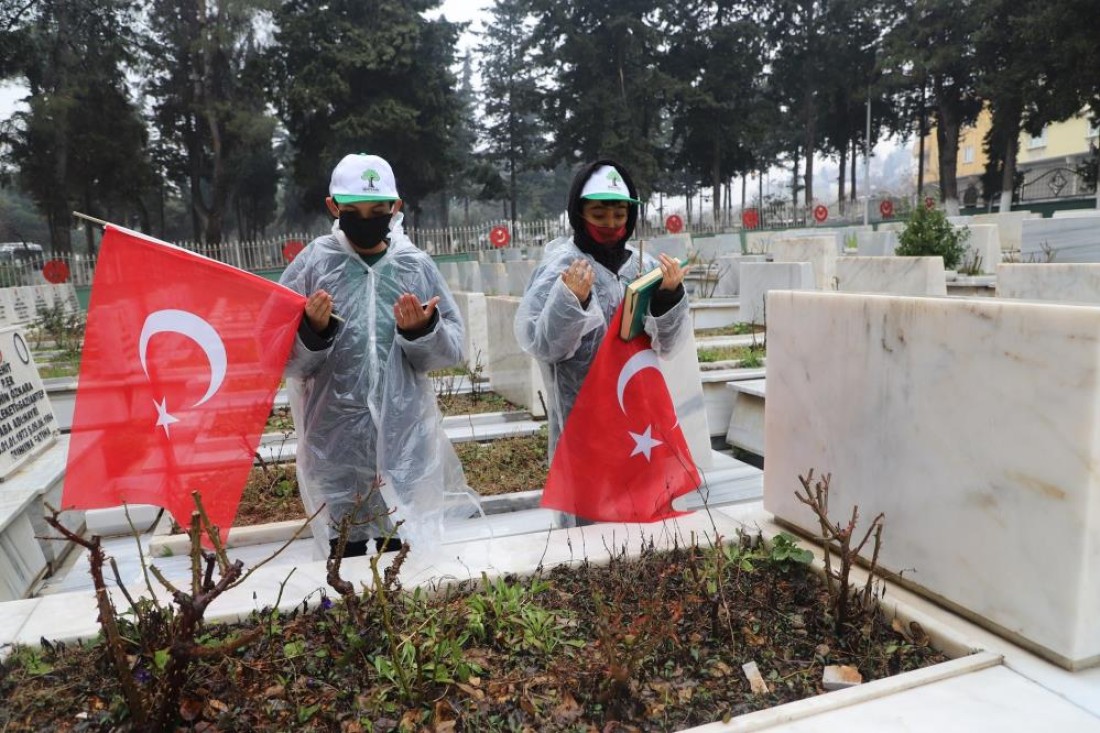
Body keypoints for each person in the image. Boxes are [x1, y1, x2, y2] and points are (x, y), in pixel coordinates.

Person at [280, 153, 479, 558]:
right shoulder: (313, 265)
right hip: (333, 442)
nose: (366, 219)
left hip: (403, 440)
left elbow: (451, 350)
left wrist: (420, 331)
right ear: (333, 207)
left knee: (402, 553)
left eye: (378, 210)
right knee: (345, 555)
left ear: (396, 208)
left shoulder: (414, 265)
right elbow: (282, 359)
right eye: (354, 210)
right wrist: (313, 333)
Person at [514, 159, 692, 517]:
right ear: (579, 215)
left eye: (619, 214)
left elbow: (667, 345)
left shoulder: (642, 267)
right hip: (584, 417)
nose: (611, 225)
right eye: (599, 214)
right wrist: (571, 299)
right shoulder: (562, 267)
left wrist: (668, 296)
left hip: (637, 419)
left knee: (642, 512)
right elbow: (542, 344)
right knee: (589, 519)